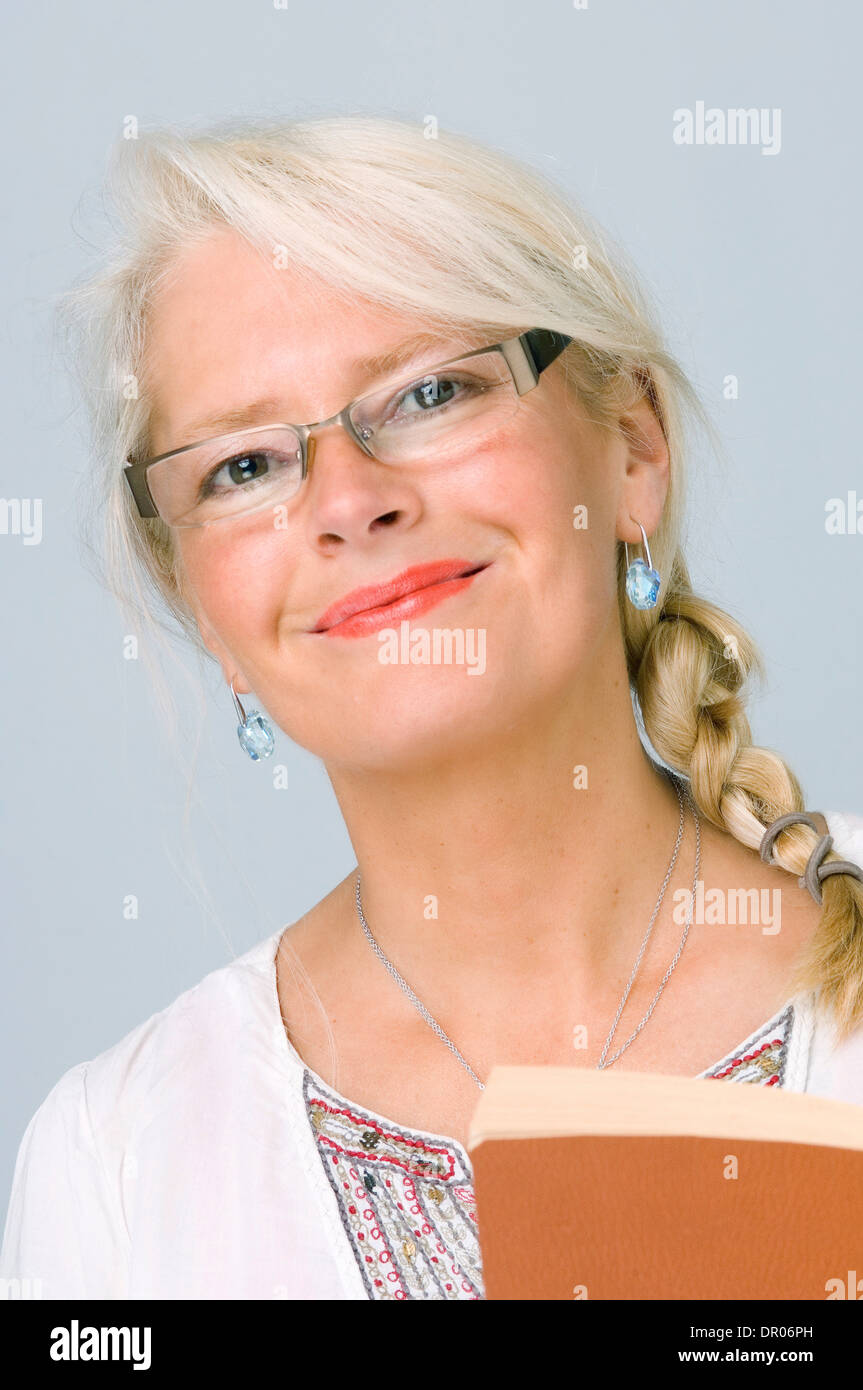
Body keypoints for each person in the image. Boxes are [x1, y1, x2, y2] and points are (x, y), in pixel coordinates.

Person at [2, 114, 862, 1301]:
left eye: (428, 392)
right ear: (205, 611)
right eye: (242, 466)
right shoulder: (112, 1164)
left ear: (630, 449)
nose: (348, 500)